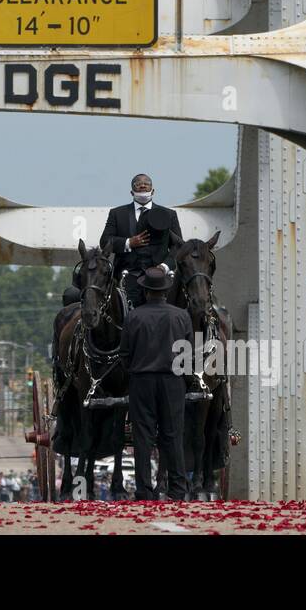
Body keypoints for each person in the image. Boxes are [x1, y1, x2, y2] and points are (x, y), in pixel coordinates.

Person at [119, 265, 192, 500]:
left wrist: (133, 371)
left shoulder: (133, 316)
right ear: (165, 291)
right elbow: (188, 356)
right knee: (173, 435)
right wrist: (186, 382)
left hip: (142, 381)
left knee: (143, 437)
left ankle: (144, 490)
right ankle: (178, 488)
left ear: (146, 291)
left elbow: (124, 354)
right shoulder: (181, 316)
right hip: (173, 381)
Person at [100, 174, 182, 307]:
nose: (143, 185)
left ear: (153, 190)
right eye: (138, 184)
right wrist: (128, 242)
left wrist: (164, 267)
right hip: (126, 278)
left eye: (147, 183)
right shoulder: (117, 213)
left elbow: (178, 247)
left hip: (159, 280)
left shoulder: (168, 215)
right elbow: (104, 242)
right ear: (132, 191)